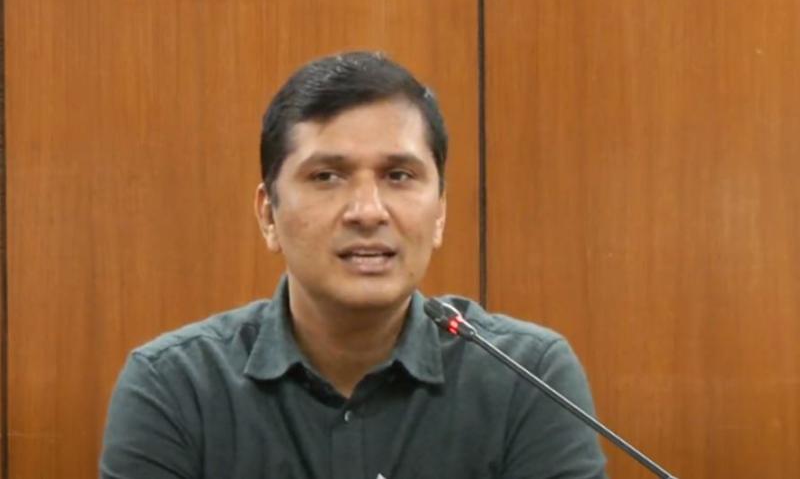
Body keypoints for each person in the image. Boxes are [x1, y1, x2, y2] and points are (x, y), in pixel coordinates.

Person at [100, 51, 607, 479]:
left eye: (399, 175)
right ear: (268, 214)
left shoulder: (528, 379)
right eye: (327, 176)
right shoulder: (175, 388)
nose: (367, 211)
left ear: (440, 214)